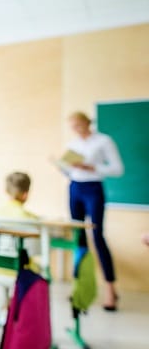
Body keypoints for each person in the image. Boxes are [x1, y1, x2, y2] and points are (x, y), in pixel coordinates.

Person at [61, 111, 124, 312]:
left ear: (87, 123)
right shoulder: (73, 144)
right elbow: (67, 170)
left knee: (97, 237)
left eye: (78, 125)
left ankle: (110, 290)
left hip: (93, 188)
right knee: (78, 238)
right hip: (74, 188)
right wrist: (65, 167)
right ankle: (79, 288)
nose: (76, 130)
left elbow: (117, 169)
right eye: (73, 127)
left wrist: (91, 167)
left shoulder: (103, 141)